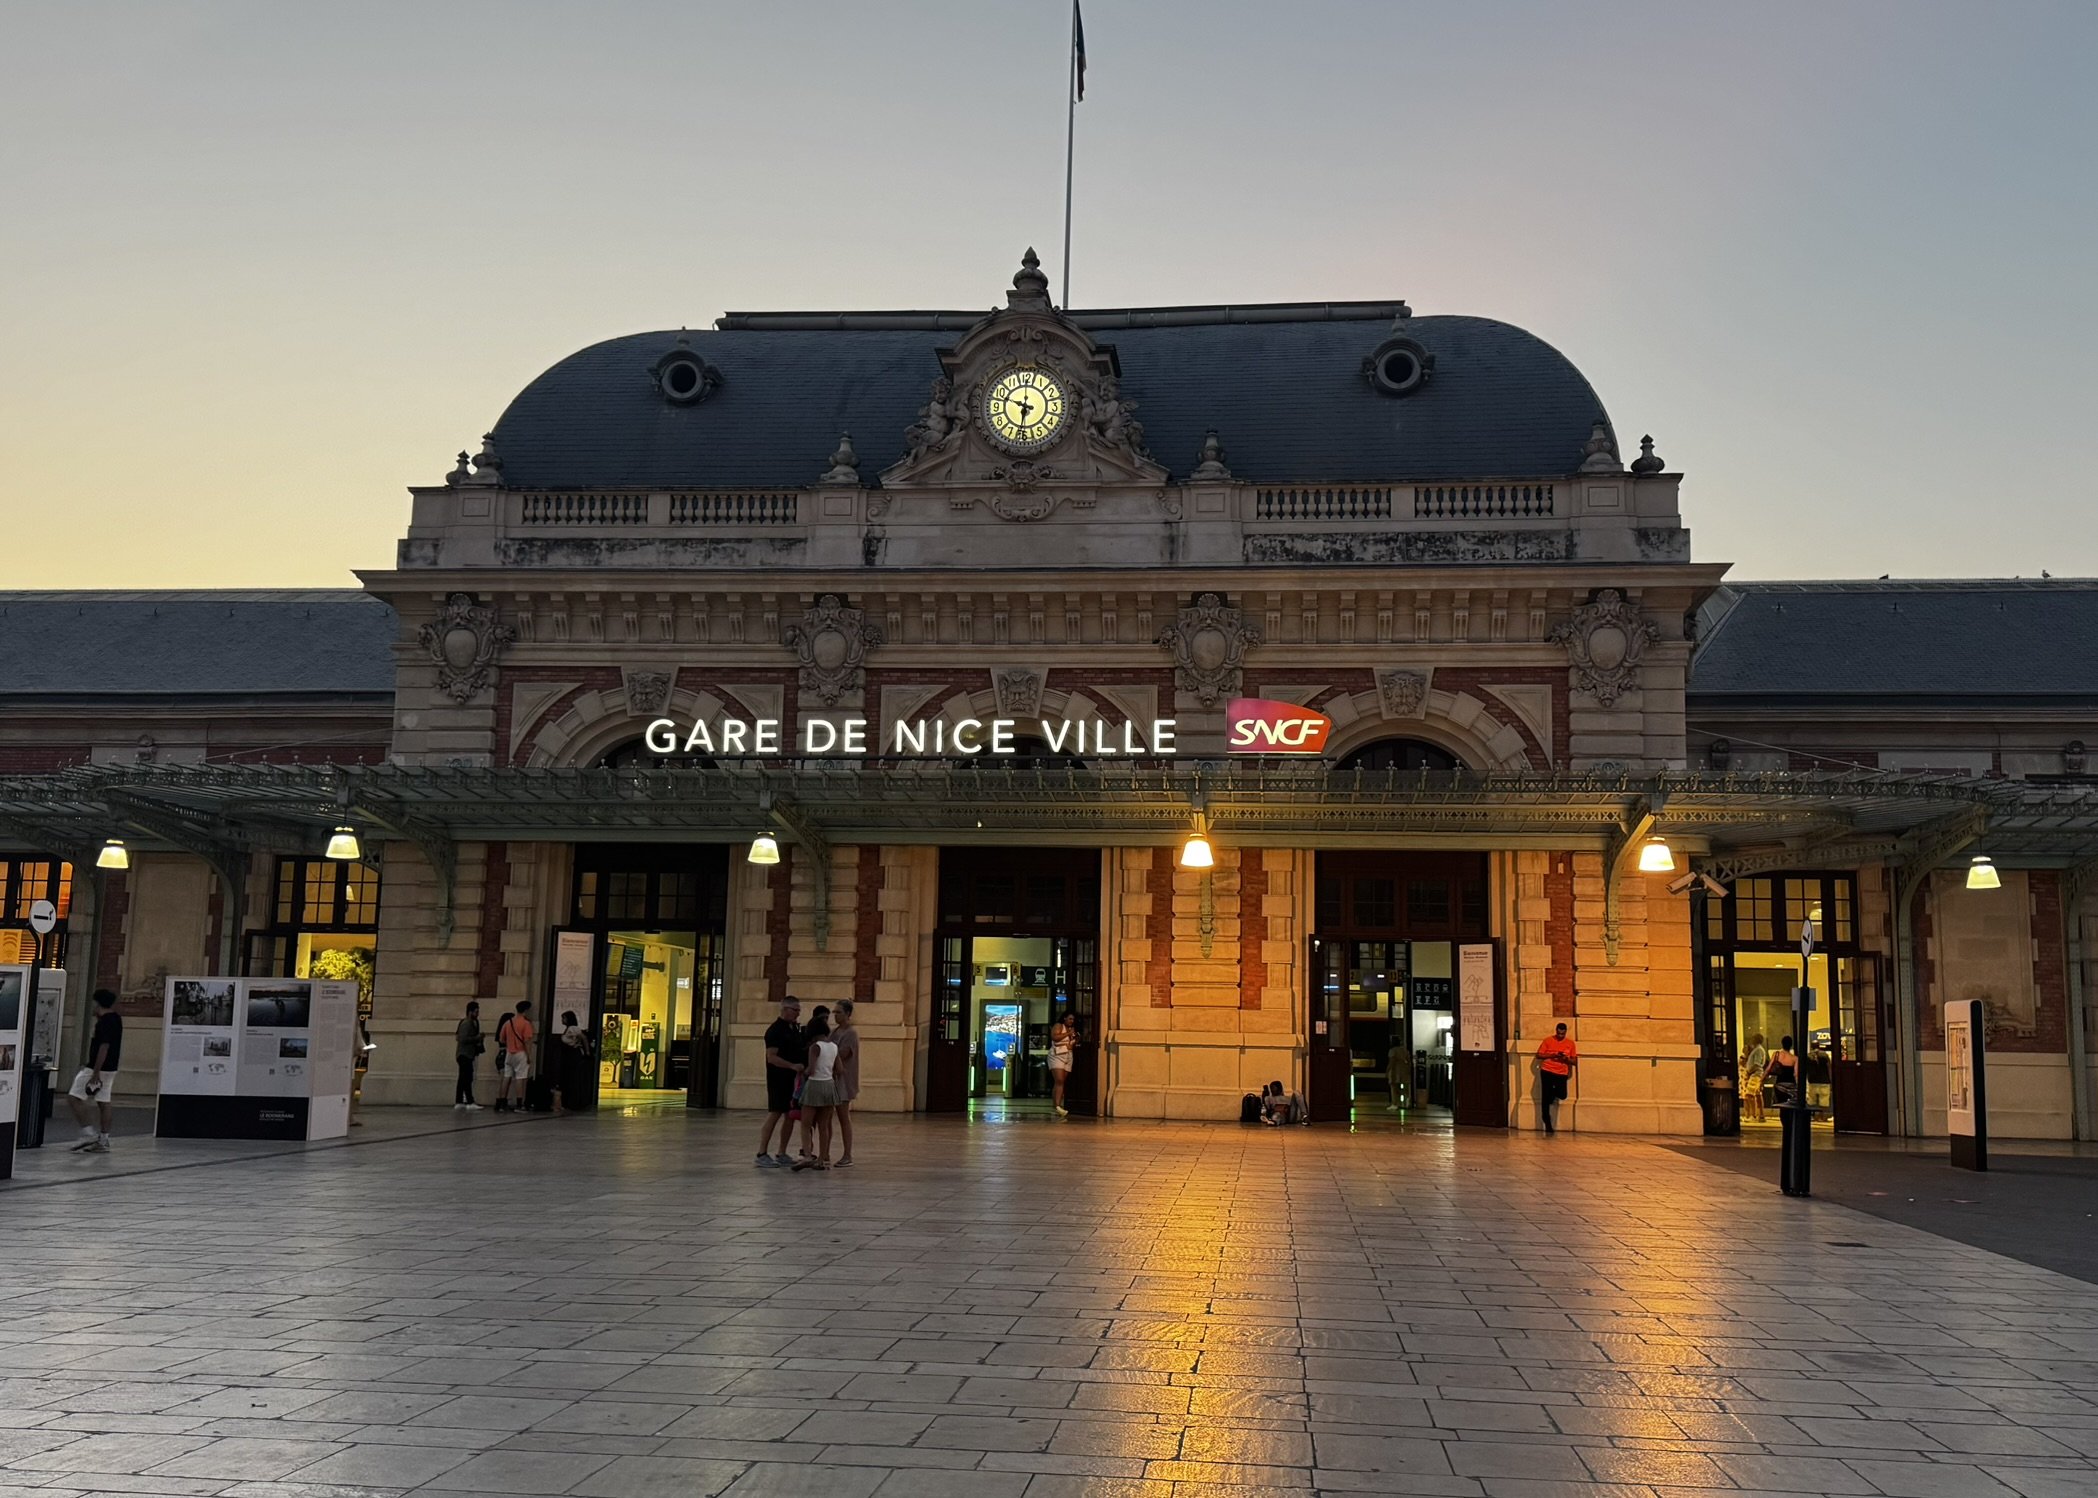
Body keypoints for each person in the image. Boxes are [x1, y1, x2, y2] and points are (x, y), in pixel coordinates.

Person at [67, 989, 122, 1153]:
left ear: (97, 1003)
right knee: (104, 1101)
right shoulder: (116, 1019)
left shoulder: (104, 1022)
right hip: (111, 1067)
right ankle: (103, 1140)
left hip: (97, 1068)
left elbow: (103, 1047)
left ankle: (88, 1133)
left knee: (74, 1097)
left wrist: (95, 1072)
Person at [755, 995, 805, 1166]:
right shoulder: (775, 1031)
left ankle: (782, 1152)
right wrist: (792, 1066)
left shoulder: (793, 1029)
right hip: (778, 1079)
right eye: (795, 1010)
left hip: (792, 1080)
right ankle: (762, 1153)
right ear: (785, 1009)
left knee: (789, 1115)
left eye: (799, 1010)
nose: (797, 1014)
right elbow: (772, 1057)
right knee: (775, 1113)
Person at [792, 1010, 839, 1171]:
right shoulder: (834, 1047)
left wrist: (801, 1071)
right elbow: (839, 1068)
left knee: (806, 1124)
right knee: (824, 1126)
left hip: (814, 1086)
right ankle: (822, 1159)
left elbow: (811, 1070)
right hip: (829, 1085)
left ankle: (807, 1155)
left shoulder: (815, 1047)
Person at [831, 998, 861, 1167]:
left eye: (839, 1012)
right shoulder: (834, 1032)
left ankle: (847, 1154)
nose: (835, 1015)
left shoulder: (850, 1033)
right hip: (832, 1078)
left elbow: (843, 1054)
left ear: (848, 1014)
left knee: (843, 1117)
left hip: (843, 1080)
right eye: (834, 1012)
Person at [1535, 1022, 1577, 1136]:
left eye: (1562, 1034)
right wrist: (1552, 1055)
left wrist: (1565, 1059)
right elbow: (1539, 1055)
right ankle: (1548, 1124)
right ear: (1556, 1031)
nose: (1560, 1036)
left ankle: (1552, 1095)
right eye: (1558, 1033)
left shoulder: (1570, 1043)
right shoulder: (1548, 1041)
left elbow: (1574, 1061)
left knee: (1562, 1094)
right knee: (1545, 1098)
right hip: (1547, 1070)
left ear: (1565, 1032)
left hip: (1561, 1072)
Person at [494, 1000, 534, 1113]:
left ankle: (502, 1102)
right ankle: (520, 1104)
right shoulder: (526, 1024)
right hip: (520, 1053)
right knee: (520, 1078)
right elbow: (527, 1041)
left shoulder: (508, 1022)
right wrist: (529, 1055)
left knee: (507, 1077)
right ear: (526, 1010)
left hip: (509, 1053)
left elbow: (501, 1039)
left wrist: (510, 1043)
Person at [555, 1009, 589, 1114]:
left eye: (563, 1018)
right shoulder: (568, 1029)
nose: (562, 1020)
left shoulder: (573, 1029)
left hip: (573, 1055)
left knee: (572, 1077)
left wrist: (587, 1051)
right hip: (569, 1055)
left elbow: (583, 1038)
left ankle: (573, 1101)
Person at [454, 1001, 484, 1110]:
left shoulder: (473, 1022)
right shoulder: (466, 1023)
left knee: (464, 1078)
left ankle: (460, 1101)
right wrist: (477, 1038)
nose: (478, 1013)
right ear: (470, 1011)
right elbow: (462, 1038)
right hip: (464, 1054)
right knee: (466, 1078)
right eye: (476, 1011)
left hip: (467, 1054)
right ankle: (469, 1101)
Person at [1048, 1014, 1076, 1117]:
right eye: (1070, 1019)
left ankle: (1056, 1105)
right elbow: (1055, 1037)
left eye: (1073, 1019)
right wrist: (1068, 1033)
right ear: (1064, 1018)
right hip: (1057, 1055)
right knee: (1059, 1080)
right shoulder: (1059, 1026)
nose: (1071, 1021)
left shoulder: (1072, 1029)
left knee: (1060, 1081)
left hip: (1068, 1055)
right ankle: (1058, 1106)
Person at [1765, 1034, 1800, 1108]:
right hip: (1791, 1084)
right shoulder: (1795, 1058)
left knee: (1781, 1104)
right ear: (1791, 1045)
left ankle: (1783, 1117)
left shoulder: (1776, 1054)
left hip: (1779, 1084)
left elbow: (1768, 1068)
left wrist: (1762, 1079)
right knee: (1791, 1105)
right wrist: (1798, 1086)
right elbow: (1796, 1074)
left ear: (1782, 1043)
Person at [1741, 1032, 1768, 1123]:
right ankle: (1760, 1115)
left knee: (1750, 1095)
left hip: (1755, 1074)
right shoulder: (1758, 1049)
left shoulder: (1758, 1050)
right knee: (1757, 1094)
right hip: (1755, 1074)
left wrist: (1749, 1071)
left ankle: (1753, 1115)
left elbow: (1756, 1064)